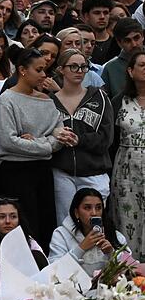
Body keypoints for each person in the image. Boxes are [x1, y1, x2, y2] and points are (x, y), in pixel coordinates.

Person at [0, 48, 75, 250]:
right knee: (23, 228)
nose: (44, 75)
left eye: (45, 70)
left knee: (46, 224)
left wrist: (37, 142)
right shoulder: (7, 100)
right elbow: (8, 141)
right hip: (16, 173)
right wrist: (47, 142)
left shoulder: (47, 100)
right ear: (22, 70)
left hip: (43, 171)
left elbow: (60, 136)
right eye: (39, 70)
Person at [50, 49, 114, 223]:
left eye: (83, 67)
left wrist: (79, 139)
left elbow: (106, 137)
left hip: (94, 172)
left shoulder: (99, 97)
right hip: (63, 172)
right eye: (73, 67)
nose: (79, 71)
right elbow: (41, 132)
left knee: (94, 223)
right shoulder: (49, 101)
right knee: (66, 224)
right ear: (61, 69)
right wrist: (54, 133)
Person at [0, 198, 47, 300]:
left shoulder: (29, 240)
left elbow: (43, 267)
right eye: (1, 217)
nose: (8, 221)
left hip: (29, 299)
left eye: (13, 217)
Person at [110, 50, 145, 260]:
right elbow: (110, 140)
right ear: (130, 71)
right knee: (127, 217)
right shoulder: (119, 101)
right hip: (126, 171)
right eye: (142, 65)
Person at [49, 188, 126, 276]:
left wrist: (111, 253)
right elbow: (53, 272)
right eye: (87, 208)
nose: (94, 213)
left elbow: (131, 269)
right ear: (76, 213)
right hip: (73, 289)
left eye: (98, 208)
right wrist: (81, 248)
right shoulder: (61, 235)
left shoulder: (115, 235)